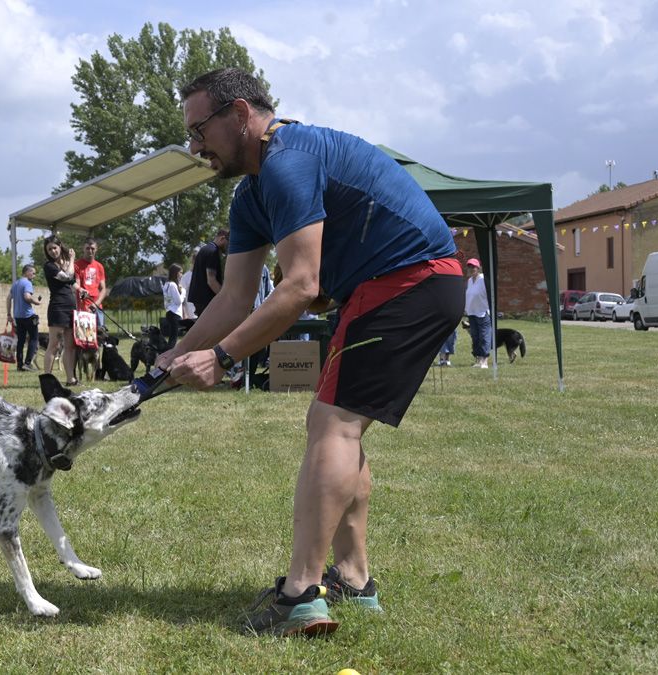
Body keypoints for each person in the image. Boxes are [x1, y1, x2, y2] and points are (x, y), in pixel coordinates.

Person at [163, 68, 463, 637]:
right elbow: (232, 298)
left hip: (409, 281)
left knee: (332, 425)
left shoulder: (288, 159)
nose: (194, 146)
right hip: (391, 288)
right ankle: (353, 578)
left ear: (241, 114)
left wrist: (221, 359)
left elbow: (301, 286)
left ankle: (301, 594)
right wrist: (173, 356)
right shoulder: (251, 194)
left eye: (200, 129)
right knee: (340, 426)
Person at [41, 235, 79, 385]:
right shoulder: (49, 266)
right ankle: (47, 380)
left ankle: (71, 379)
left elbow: (72, 281)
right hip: (57, 307)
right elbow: (67, 276)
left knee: (70, 345)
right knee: (54, 345)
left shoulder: (64, 263)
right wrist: (72, 259)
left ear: (59, 246)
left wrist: (81, 290)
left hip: (70, 306)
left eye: (54, 248)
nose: (52, 251)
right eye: (49, 249)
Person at [7, 263, 43, 371]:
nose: (34, 275)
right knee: (34, 339)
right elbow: (27, 297)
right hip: (28, 316)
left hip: (18, 317)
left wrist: (8, 314)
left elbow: (8, 298)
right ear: (27, 272)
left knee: (21, 341)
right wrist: (35, 302)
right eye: (33, 272)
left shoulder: (16, 283)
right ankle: (27, 364)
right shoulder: (27, 283)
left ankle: (19, 365)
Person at [188, 229, 228, 317]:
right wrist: (224, 298)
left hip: (199, 299)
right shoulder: (213, 252)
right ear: (222, 238)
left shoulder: (205, 249)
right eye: (228, 243)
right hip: (206, 299)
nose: (227, 247)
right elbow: (211, 281)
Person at [73, 237, 108, 327]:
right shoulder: (77, 265)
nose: (90, 251)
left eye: (92, 248)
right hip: (83, 308)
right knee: (84, 338)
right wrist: (83, 307)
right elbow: (77, 286)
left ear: (96, 249)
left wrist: (96, 303)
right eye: (87, 248)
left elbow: (103, 289)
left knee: (101, 336)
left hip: (97, 306)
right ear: (83, 249)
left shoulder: (99, 266)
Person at [464, 257, 492, 368]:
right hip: (471, 313)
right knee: (475, 337)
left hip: (483, 312)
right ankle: (478, 360)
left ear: (478, 268)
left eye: (473, 267)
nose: (471, 269)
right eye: (469, 266)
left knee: (484, 337)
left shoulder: (483, 279)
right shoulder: (469, 281)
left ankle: (484, 361)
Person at [161, 263, 184, 349]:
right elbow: (178, 301)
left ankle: (166, 355)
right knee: (173, 339)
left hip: (169, 312)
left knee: (172, 338)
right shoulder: (173, 285)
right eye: (180, 272)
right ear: (176, 273)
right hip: (175, 313)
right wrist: (183, 293)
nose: (181, 275)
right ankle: (167, 357)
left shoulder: (166, 284)